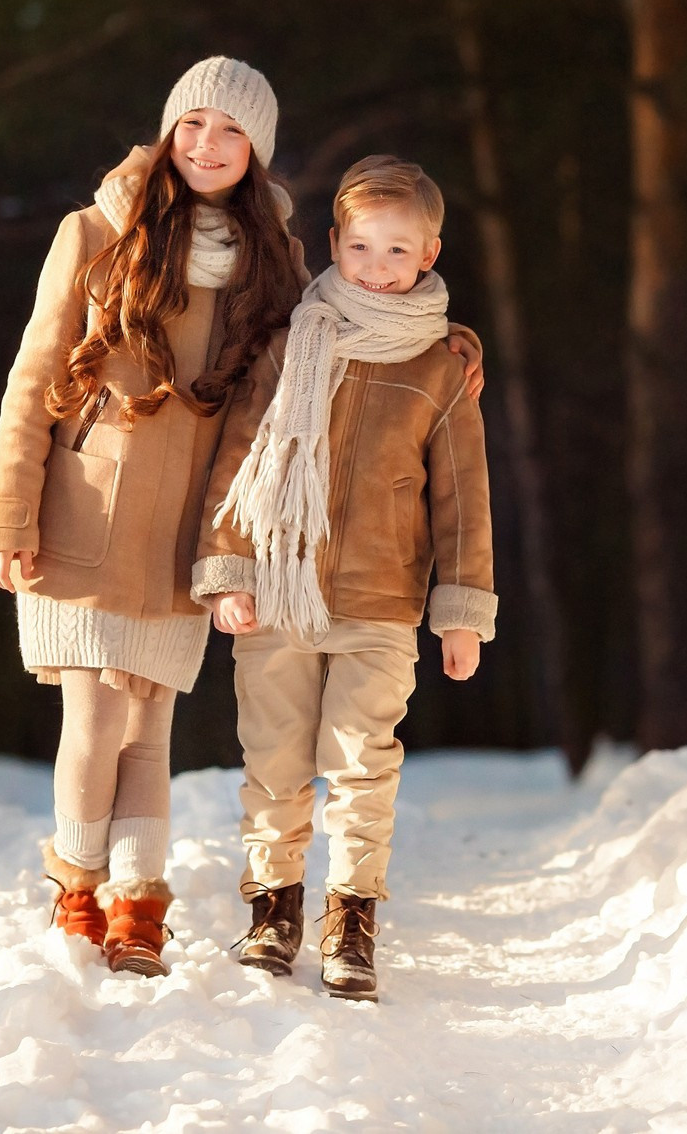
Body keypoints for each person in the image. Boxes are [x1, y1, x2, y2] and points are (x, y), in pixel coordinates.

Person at [0, 64, 483, 976]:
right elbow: (30, 377)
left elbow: (342, 333)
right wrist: (6, 510)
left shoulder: (275, 258)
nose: (207, 144)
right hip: (85, 515)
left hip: (188, 531)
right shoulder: (95, 232)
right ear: (169, 128)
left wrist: (449, 344)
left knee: (150, 728)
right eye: (193, 123)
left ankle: (139, 905)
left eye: (231, 132)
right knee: (93, 720)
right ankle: (78, 892)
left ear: (257, 152)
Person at [191, 155, 497, 1001]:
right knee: (275, 760)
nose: (376, 267)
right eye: (361, 247)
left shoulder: (440, 366)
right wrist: (226, 572)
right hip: (277, 591)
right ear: (334, 243)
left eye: (398, 252)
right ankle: (272, 908)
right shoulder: (293, 345)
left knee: (365, 763)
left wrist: (460, 613)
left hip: (380, 602)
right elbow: (239, 460)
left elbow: (463, 501)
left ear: (430, 254)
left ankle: (352, 919)